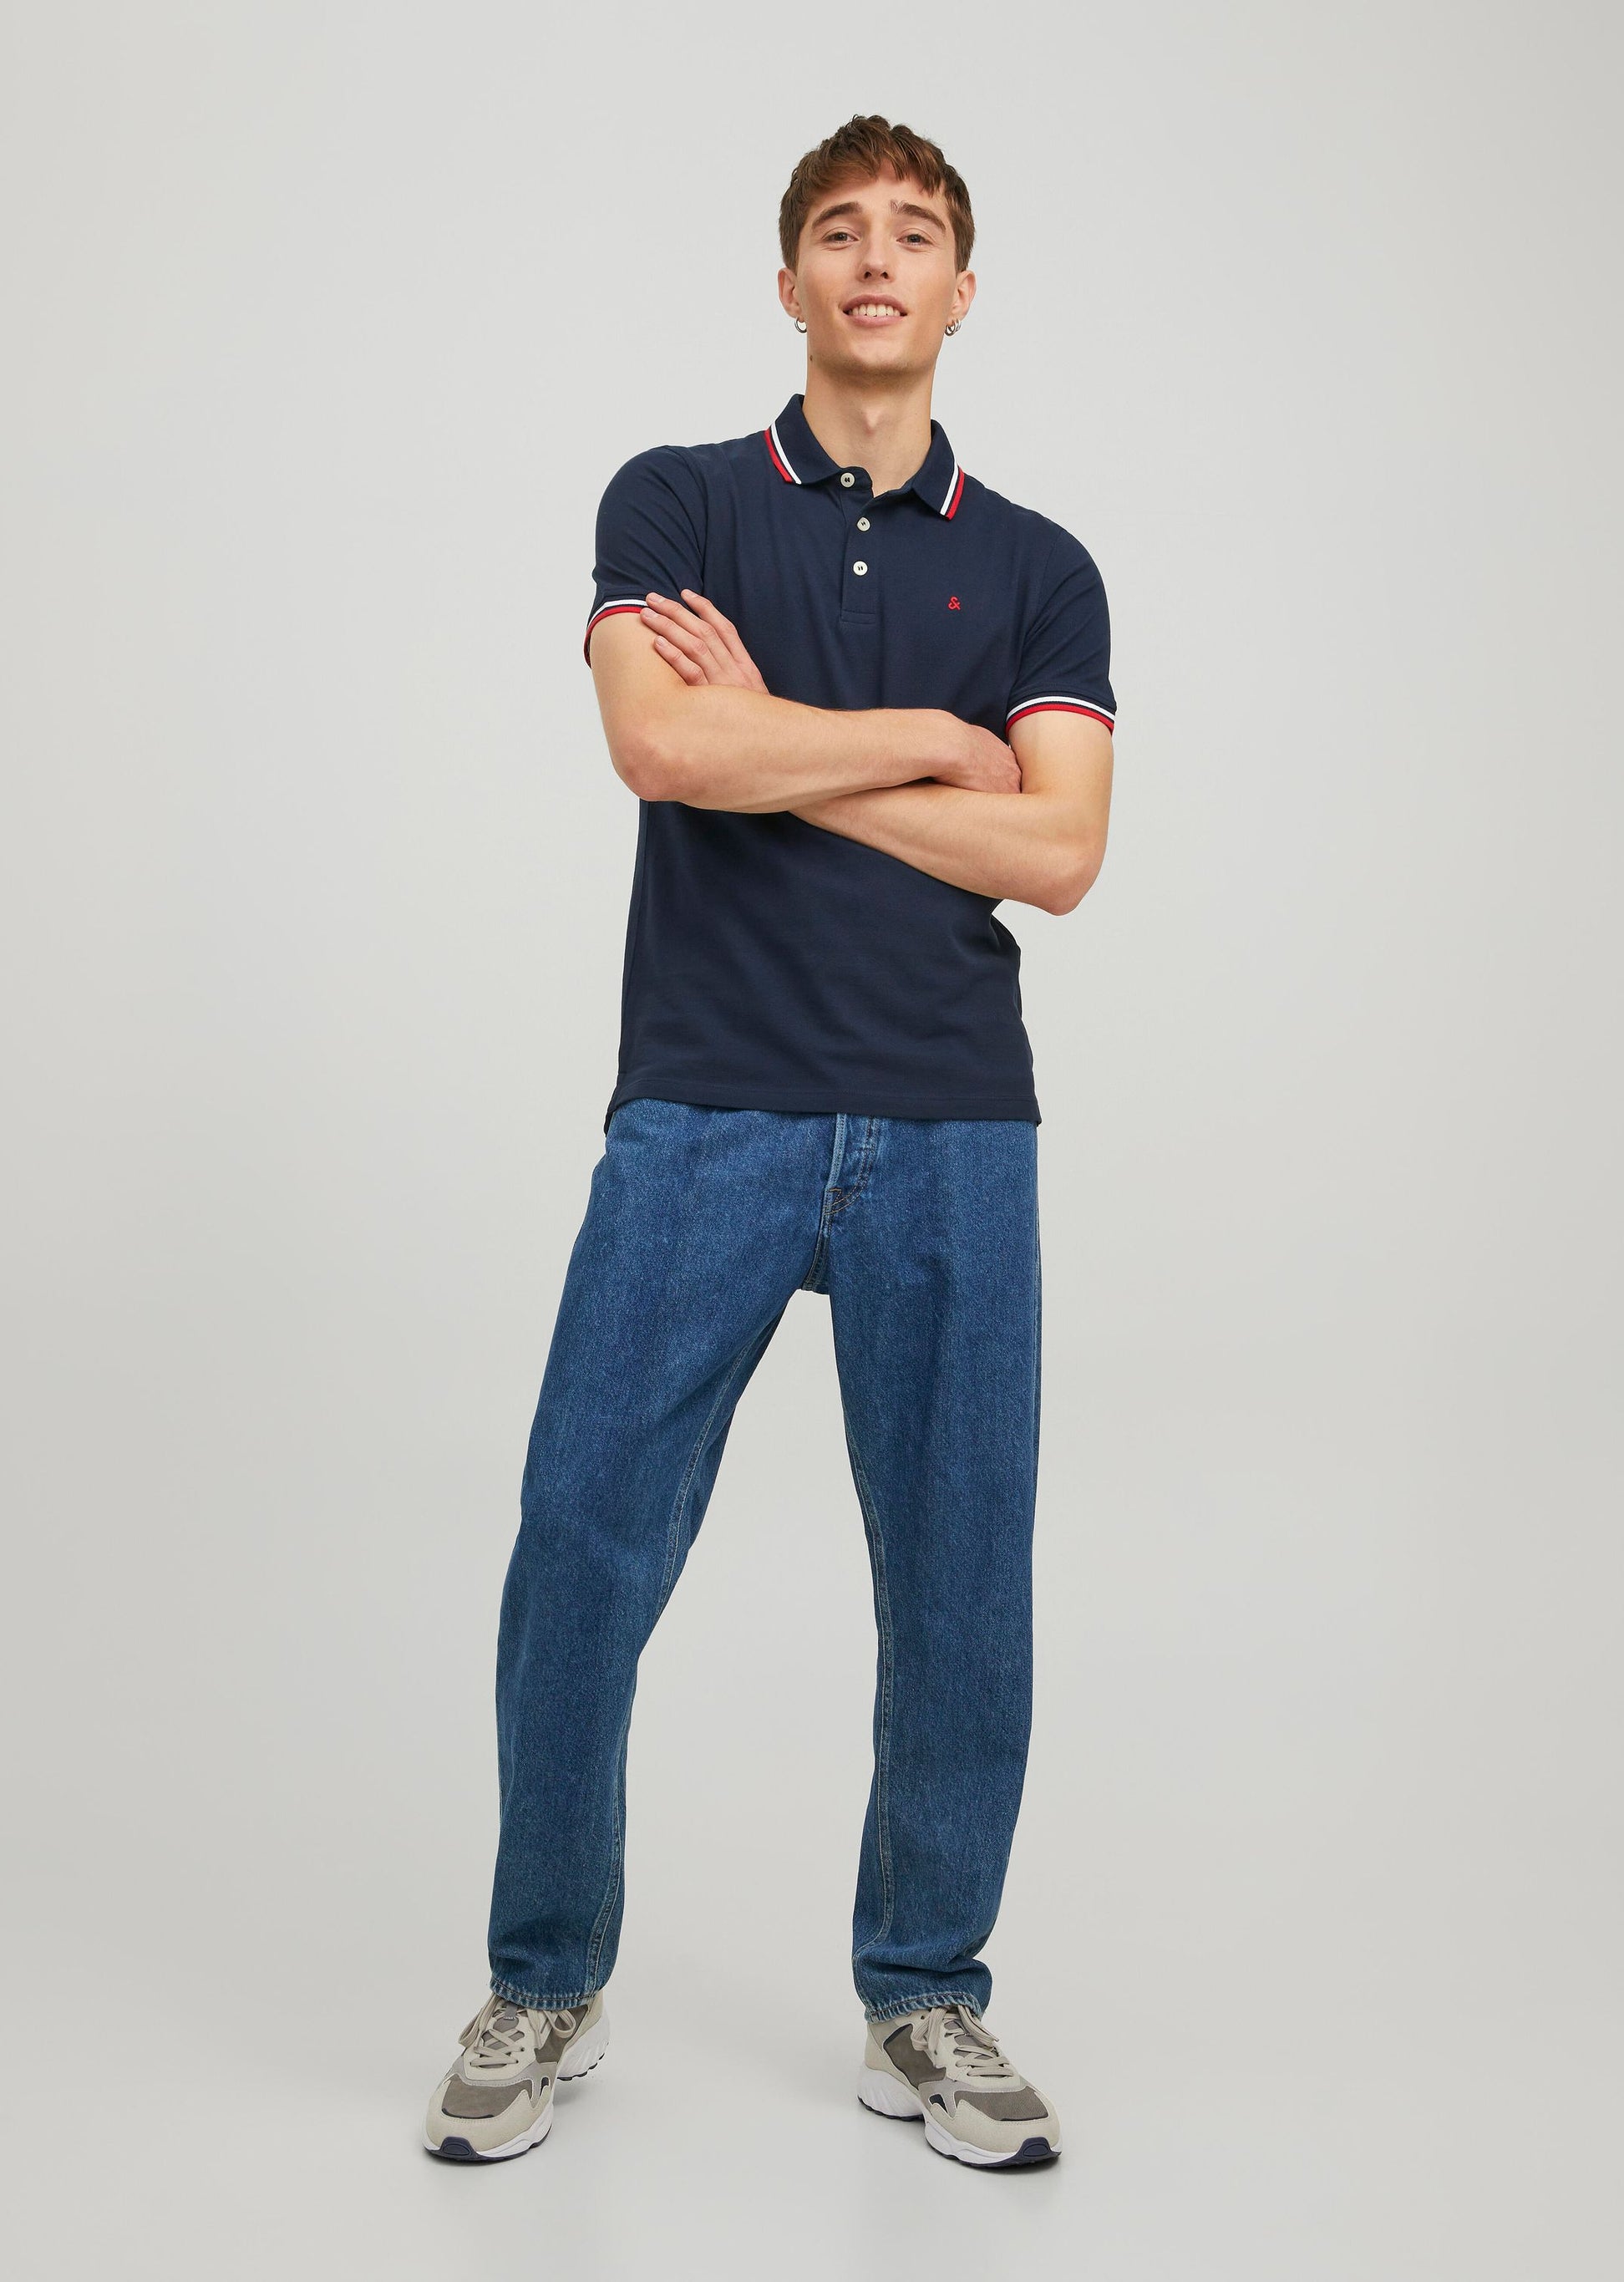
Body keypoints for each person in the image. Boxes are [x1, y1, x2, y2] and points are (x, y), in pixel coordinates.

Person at [424, 114, 1115, 2170]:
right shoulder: (679, 499)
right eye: (838, 230)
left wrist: (779, 754)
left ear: (963, 289)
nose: (875, 259)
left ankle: (925, 1997)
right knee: (581, 1545)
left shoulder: (1042, 566)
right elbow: (658, 743)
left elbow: (1057, 854)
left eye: (914, 233)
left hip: (952, 1121)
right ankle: (544, 1975)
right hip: (701, 1109)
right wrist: (930, 745)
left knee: (961, 1578)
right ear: (791, 278)